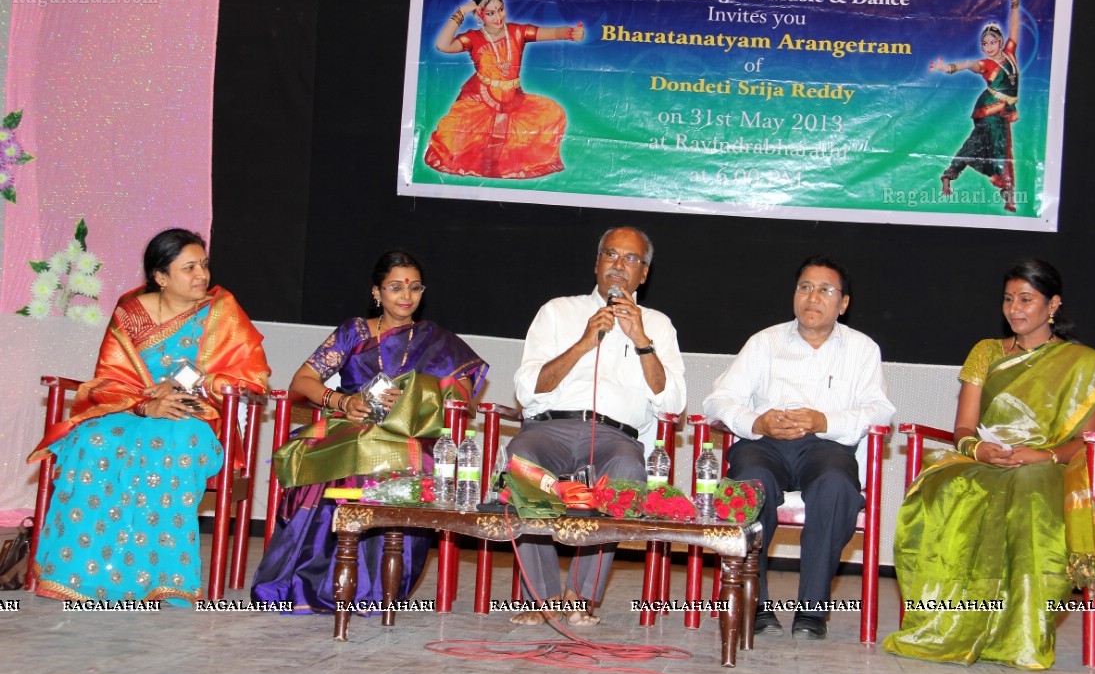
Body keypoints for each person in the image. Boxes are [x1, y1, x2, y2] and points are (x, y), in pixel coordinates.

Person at [883, 259, 1095, 669]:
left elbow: (1086, 442)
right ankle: (950, 625)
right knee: (941, 489)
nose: (1015, 308)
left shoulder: (1084, 366)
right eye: (1008, 299)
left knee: (1030, 493)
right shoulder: (985, 353)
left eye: (1026, 299)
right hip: (985, 459)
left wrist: (1045, 455)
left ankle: (1021, 635)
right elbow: (964, 428)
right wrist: (978, 450)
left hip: (1047, 465)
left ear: (1052, 304)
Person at [29, 228, 270, 603]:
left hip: (197, 414)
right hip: (131, 408)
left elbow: (253, 380)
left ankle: (160, 579)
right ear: (160, 276)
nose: (202, 275)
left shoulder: (222, 312)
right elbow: (109, 380)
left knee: (172, 440)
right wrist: (145, 403)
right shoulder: (131, 313)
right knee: (93, 438)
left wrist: (194, 383)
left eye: (204, 265)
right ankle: (81, 576)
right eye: (189, 267)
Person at [252, 249, 487, 613]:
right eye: (395, 287)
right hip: (351, 426)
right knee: (347, 453)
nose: (406, 296)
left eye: (414, 287)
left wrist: (416, 396)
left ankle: (379, 587)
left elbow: (464, 398)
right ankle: (312, 581)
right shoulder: (354, 332)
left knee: (406, 462)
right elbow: (303, 380)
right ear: (377, 292)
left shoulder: (438, 340)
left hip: (410, 435)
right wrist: (342, 402)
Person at [703, 256, 895, 639]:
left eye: (825, 290)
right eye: (805, 287)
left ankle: (812, 609)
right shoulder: (764, 342)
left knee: (836, 488)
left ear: (843, 303)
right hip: (764, 444)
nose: (813, 297)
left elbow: (880, 412)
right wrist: (756, 421)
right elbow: (717, 401)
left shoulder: (862, 349)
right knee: (750, 484)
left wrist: (824, 421)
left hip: (824, 447)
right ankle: (753, 600)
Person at [507, 227, 686, 625]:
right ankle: (542, 594)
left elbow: (673, 402)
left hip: (615, 437)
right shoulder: (557, 311)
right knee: (521, 456)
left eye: (631, 259)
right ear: (597, 263)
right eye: (611, 255)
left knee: (627, 470)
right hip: (550, 428)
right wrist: (585, 341)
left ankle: (580, 594)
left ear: (644, 274)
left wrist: (642, 341)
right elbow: (527, 388)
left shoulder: (658, 324)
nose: (619, 265)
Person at [423, 0, 584, 179]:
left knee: (554, 113)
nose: (498, 17)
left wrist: (570, 32)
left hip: (514, 100)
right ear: (479, 15)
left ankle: (508, 164)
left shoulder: (518, 31)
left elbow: (553, 32)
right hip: (480, 100)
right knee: (450, 136)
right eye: (490, 13)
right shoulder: (473, 38)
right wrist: (462, 12)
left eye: (501, 9)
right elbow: (443, 45)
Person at [929, 0, 1022, 212]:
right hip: (991, 109)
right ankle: (1008, 195)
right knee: (1001, 148)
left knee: (981, 145)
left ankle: (950, 174)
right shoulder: (985, 64)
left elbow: (1015, 26)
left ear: (1000, 42)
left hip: (1000, 110)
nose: (988, 46)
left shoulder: (1010, 54)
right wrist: (947, 67)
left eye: (992, 42)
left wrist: (1015, 0)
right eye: (984, 43)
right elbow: (968, 64)